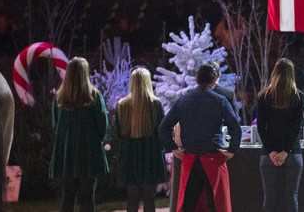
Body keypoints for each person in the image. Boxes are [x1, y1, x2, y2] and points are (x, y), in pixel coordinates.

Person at [158, 62, 241, 212]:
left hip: (190, 160)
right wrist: (231, 150)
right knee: (217, 205)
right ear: (215, 80)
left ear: (196, 79)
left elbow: (163, 127)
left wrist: (173, 148)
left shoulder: (183, 100)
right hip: (213, 160)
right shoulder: (220, 100)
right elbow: (235, 127)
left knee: (188, 206)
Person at [49, 57, 109, 212]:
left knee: (67, 195)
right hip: (88, 154)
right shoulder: (94, 96)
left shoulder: (59, 99)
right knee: (87, 196)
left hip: (67, 154)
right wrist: (99, 139)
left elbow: (55, 125)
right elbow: (102, 125)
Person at [115, 68, 168, 212]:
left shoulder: (122, 105)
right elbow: (161, 131)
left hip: (129, 154)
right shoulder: (155, 104)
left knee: (132, 196)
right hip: (150, 154)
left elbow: (119, 132)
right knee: (149, 196)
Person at [257, 58, 304, 212]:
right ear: (292, 74)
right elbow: (296, 128)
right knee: (291, 196)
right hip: (293, 153)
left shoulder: (263, 97)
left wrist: (271, 151)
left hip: (268, 154)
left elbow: (261, 128)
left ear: (274, 73)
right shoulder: (298, 97)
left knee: (269, 198)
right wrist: (286, 151)